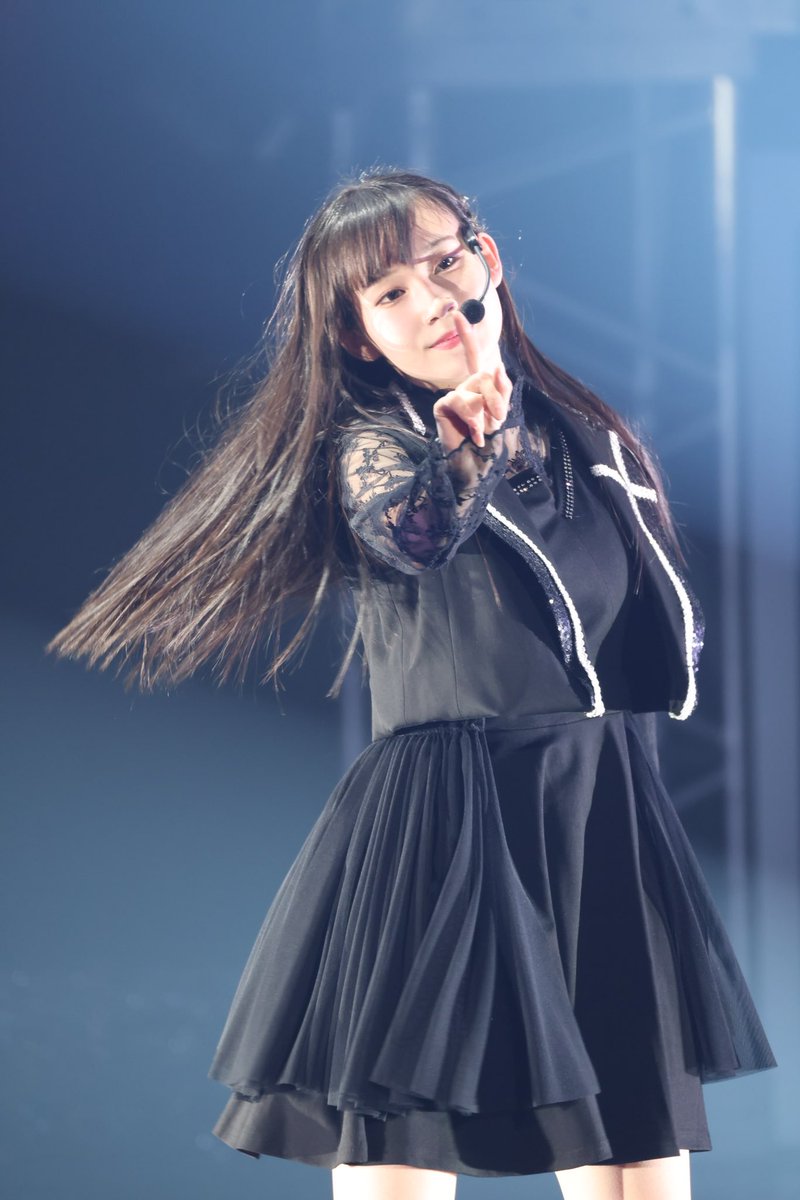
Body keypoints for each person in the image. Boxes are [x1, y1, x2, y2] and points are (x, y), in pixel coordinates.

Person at [48, 168, 776, 1200]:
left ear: (486, 261)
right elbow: (411, 534)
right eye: (389, 292)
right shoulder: (375, 448)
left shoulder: (588, 435)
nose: (431, 300)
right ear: (356, 335)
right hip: (448, 820)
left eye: (443, 264)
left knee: (635, 1147)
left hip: (598, 810)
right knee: (405, 1146)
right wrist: (463, 450)